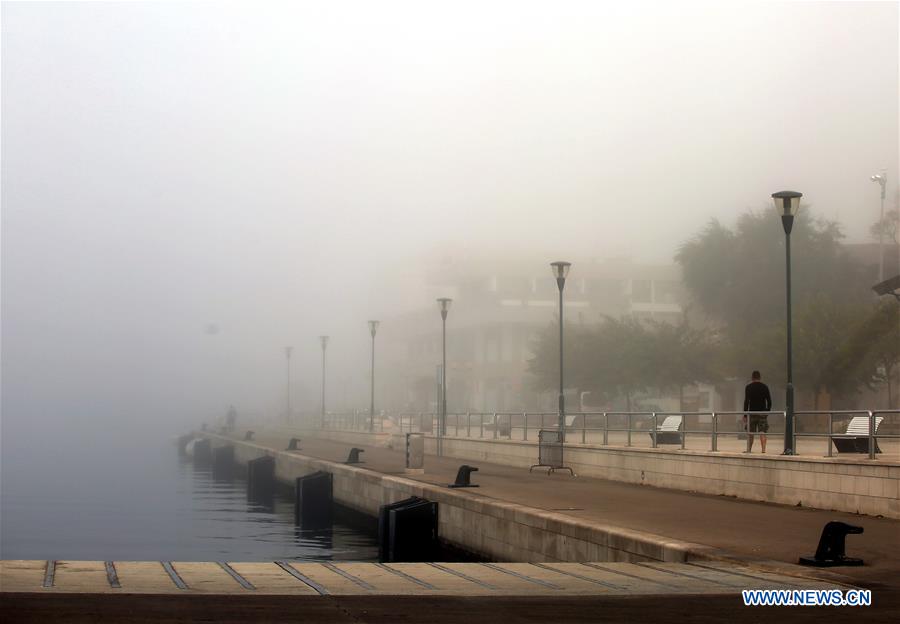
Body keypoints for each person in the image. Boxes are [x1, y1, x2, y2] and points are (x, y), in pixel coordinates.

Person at [743, 370, 772, 453]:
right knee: (762, 432)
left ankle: (749, 450)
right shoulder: (765, 387)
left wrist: (745, 415)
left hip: (751, 413)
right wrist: (767, 411)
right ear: (760, 377)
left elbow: (746, 401)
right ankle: (763, 450)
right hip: (762, 413)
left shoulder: (748, 387)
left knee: (750, 433)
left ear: (752, 378)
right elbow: (769, 401)